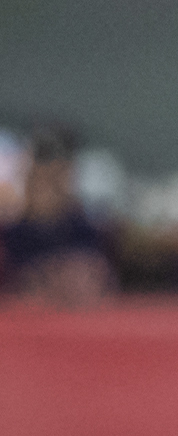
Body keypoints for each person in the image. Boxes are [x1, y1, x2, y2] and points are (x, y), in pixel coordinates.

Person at [0, 126, 116, 307]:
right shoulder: (9, 236)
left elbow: (101, 284)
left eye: (55, 178)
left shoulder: (86, 231)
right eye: (38, 178)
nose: (45, 188)